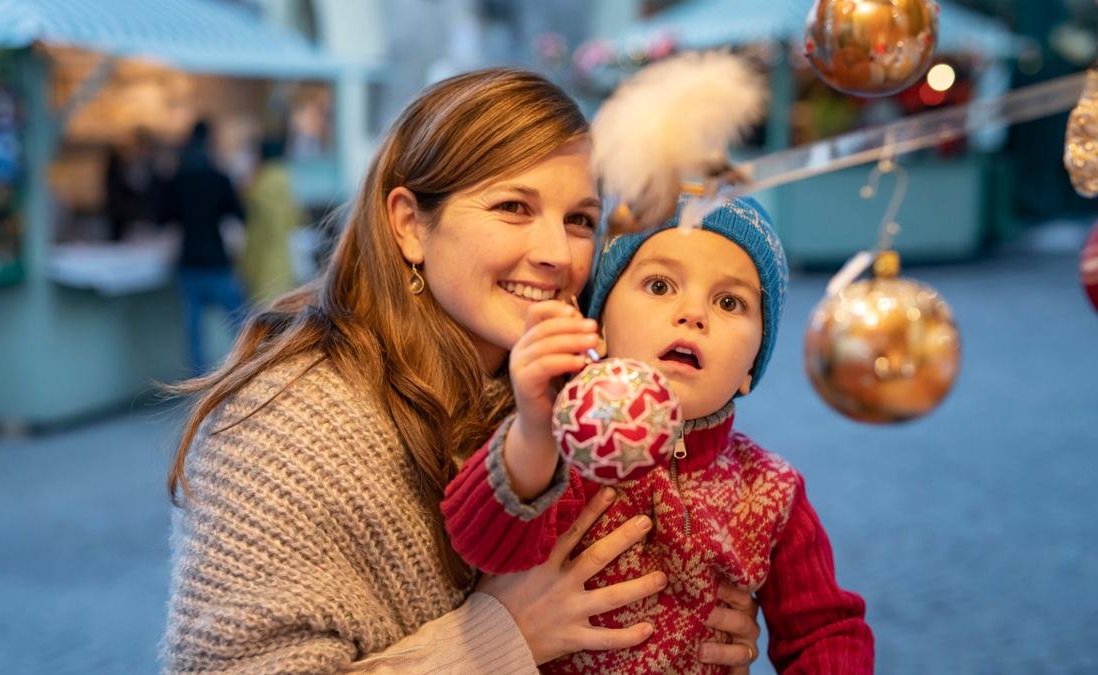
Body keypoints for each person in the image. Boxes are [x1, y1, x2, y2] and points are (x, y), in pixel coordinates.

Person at [161, 69, 763, 674]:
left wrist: (693, 619)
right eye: (513, 207)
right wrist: (504, 636)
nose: (557, 253)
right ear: (409, 224)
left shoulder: (571, 393)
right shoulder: (290, 426)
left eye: (580, 219)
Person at [442, 197, 874, 672]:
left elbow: (826, 629)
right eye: (660, 285)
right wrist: (532, 433)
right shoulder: (565, 451)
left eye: (729, 302)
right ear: (599, 328)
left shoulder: (770, 488)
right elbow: (484, 546)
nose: (692, 314)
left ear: (751, 367)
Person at [160, 120, 247, 375]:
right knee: (241, 324)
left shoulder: (178, 178)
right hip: (216, 259)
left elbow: (162, 216)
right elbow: (239, 214)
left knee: (195, 335)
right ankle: (250, 373)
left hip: (189, 261)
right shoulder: (219, 177)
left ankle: (200, 387)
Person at [239, 136, 308, 305]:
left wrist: (246, 268)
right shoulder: (289, 184)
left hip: (263, 265)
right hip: (285, 262)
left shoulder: (257, 189)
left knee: (264, 318)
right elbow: (297, 221)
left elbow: (255, 235)